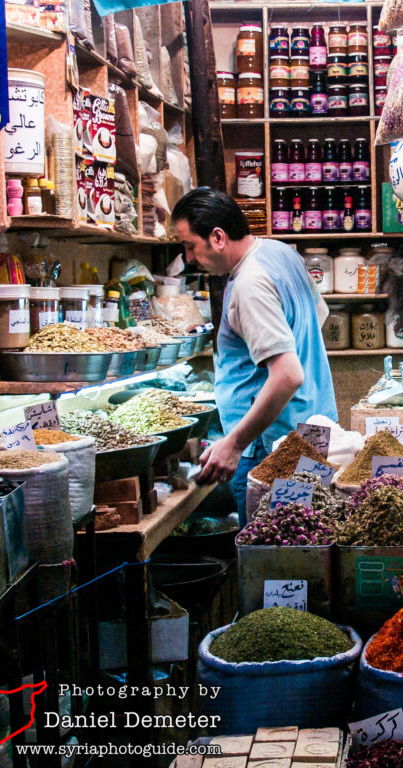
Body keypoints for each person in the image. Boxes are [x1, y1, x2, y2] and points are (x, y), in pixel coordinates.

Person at [171, 187, 337, 522]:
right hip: (313, 427)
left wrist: (233, 444)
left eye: (190, 246)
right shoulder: (280, 253)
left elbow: (288, 374)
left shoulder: (249, 284)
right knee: (307, 538)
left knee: (274, 551)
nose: (188, 258)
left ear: (218, 237)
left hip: (274, 447)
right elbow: (318, 315)